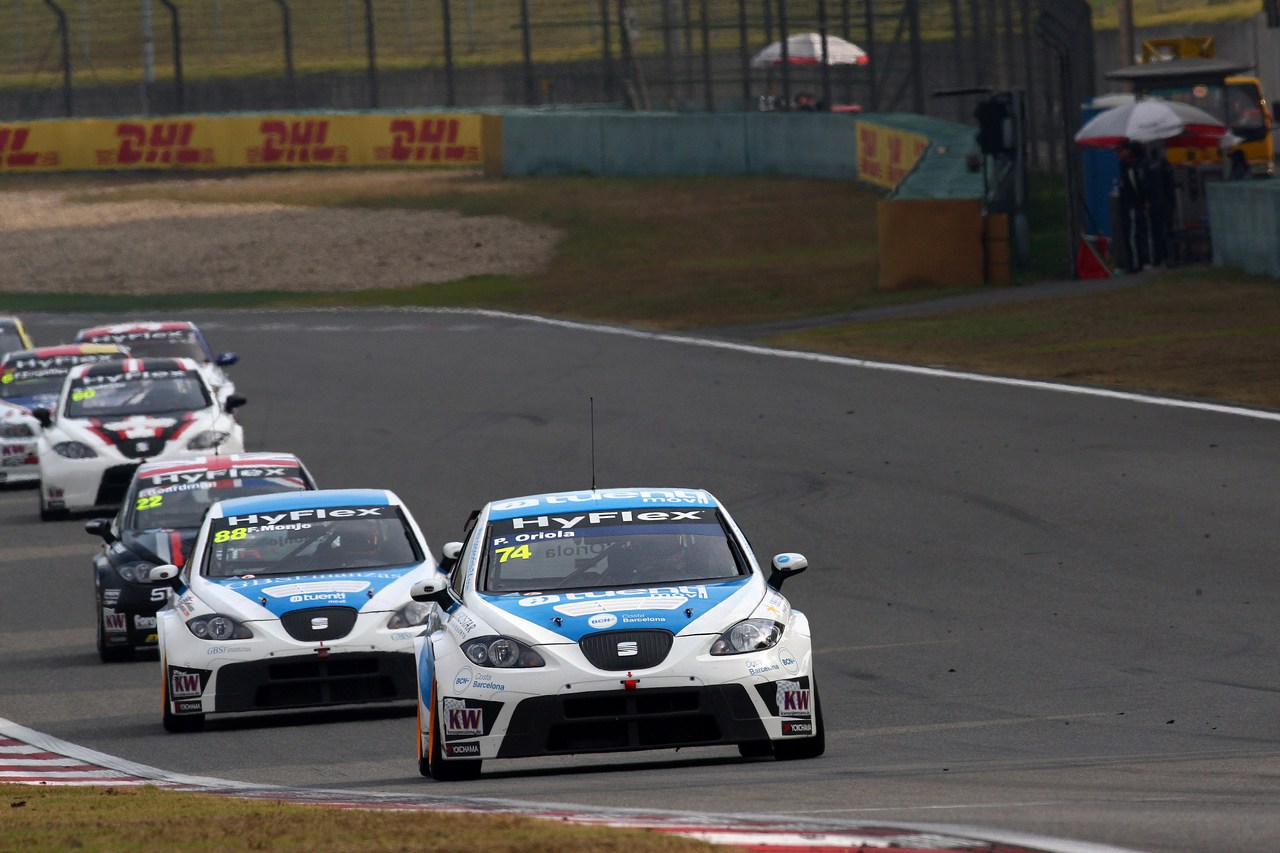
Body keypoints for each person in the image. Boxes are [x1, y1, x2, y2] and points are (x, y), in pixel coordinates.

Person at [1115, 140, 1149, 273]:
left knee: (1133, 235)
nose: (1118, 154)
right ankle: (1131, 262)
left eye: (1120, 151)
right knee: (1127, 235)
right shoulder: (1123, 167)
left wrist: (1142, 200)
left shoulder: (1132, 168)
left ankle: (1136, 263)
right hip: (1126, 206)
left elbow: (1137, 187)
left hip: (1132, 206)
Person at [1141, 144, 1175, 268]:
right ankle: (1169, 256)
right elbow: (1169, 183)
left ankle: (1158, 258)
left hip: (1156, 202)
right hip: (1165, 201)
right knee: (1165, 229)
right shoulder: (1163, 164)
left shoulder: (1147, 164)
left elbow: (1146, 185)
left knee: (1156, 231)